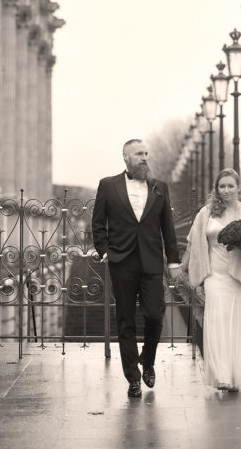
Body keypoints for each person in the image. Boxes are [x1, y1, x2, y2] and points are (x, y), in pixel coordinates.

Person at [92, 139, 181, 398]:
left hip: (152, 261)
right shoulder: (108, 186)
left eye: (146, 153)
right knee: (125, 320)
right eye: (138, 154)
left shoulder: (159, 187)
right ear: (125, 157)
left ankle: (148, 361)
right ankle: (133, 378)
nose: (144, 157)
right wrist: (105, 251)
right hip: (122, 261)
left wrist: (173, 261)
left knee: (155, 314)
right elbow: (98, 224)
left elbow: (169, 228)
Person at [180, 168, 241, 391]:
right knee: (217, 323)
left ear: (238, 188)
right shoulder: (206, 213)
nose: (226, 190)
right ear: (216, 188)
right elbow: (193, 244)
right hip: (215, 276)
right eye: (222, 186)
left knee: (240, 325)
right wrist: (179, 268)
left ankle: (240, 375)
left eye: (230, 186)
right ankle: (222, 376)